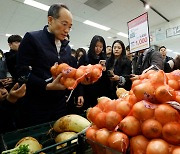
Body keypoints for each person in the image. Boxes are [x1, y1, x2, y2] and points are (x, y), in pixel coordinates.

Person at [16, 4, 80, 128]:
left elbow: (68, 73)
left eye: (70, 27)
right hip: (36, 106)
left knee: (59, 139)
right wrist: (46, 86)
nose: (67, 30)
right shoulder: (32, 38)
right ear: (50, 20)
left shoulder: (66, 48)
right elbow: (21, 73)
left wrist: (80, 79)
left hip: (60, 105)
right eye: (64, 24)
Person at [78, 35, 111, 109]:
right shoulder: (85, 58)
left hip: (101, 94)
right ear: (92, 45)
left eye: (101, 47)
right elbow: (79, 78)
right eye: (96, 46)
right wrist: (80, 94)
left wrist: (105, 70)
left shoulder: (105, 59)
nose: (98, 49)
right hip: (87, 92)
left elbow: (106, 80)